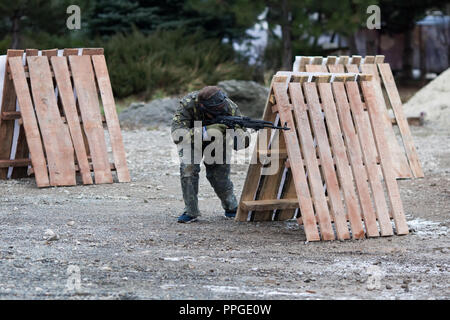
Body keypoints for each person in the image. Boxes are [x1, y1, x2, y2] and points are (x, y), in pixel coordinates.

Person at [171, 86, 249, 223]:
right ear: (203, 107)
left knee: (219, 176)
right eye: (215, 111)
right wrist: (207, 131)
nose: (221, 111)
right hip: (191, 140)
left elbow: (241, 144)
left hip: (218, 141)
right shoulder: (189, 104)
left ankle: (231, 207)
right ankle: (191, 211)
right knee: (188, 170)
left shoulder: (230, 107)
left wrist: (240, 134)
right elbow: (177, 135)